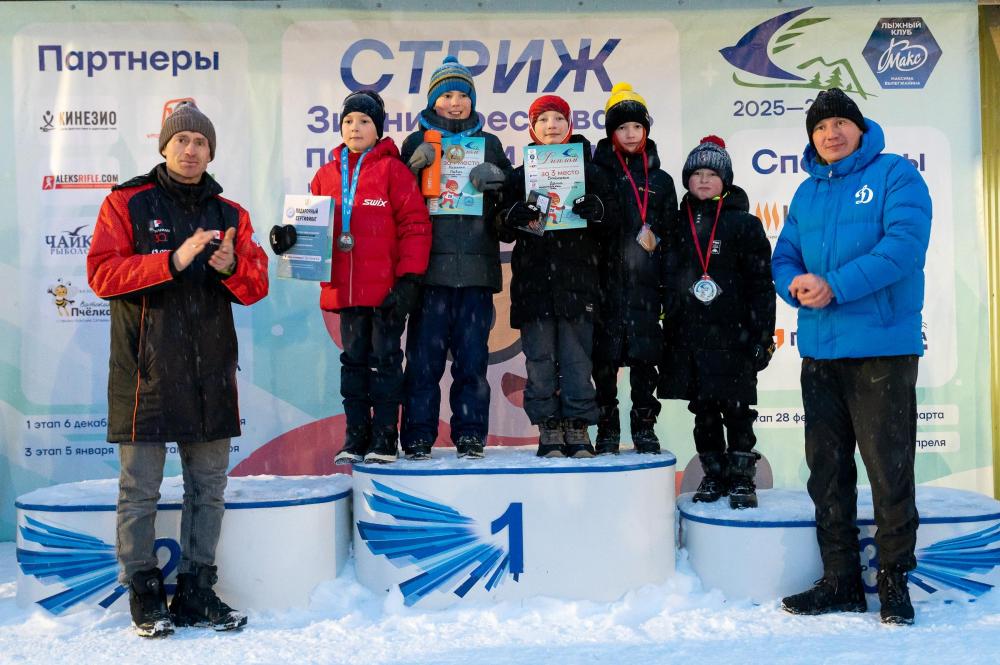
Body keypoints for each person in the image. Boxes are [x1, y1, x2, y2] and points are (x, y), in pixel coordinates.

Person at [87, 101, 268, 637]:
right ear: (164, 146)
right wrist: (172, 260)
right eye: (182, 140)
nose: (191, 150)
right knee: (139, 490)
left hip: (211, 372)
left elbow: (257, 286)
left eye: (201, 142)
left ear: (212, 152)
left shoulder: (230, 214)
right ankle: (144, 592)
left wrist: (232, 267)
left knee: (208, 489)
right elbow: (102, 274)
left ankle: (196, 590)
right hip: (146, 374)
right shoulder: (127, 202)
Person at [773, 88, 931, 625]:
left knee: (889, 468)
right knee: (827, 471)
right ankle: (840, 580)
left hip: (881, 349)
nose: (830, 134)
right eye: (820, 127)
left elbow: (903, 248)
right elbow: (785, 256)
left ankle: (894, 580)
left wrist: (834, 285)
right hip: (820, 349)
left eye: (840, 123)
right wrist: (794, 283)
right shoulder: (807, 192)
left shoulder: (896, 175)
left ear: (860, 129)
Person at [306, 90, 432, 465]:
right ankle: (356, 436)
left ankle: (384, 437)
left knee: (385, 364)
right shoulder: (326, 175)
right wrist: (290, 238)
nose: (355, 128)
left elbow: (415, 226)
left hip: (386, 294)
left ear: (378, 129)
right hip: (347, 292)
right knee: (353, 364)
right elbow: (311, 226)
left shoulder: (394, 171)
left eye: (364, 121)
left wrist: (408, 280)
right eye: (348, 121)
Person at [398, 56, 512, 459]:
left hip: (477, 271)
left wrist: (499, 183)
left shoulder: (490, 144)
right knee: (422, 363)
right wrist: (411, 173)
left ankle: (470, 434)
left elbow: (508, 208)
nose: (455, 103)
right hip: (430, 272)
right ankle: (417, 436)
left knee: (472, 363)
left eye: (463, 95)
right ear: (433, 100)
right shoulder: (415, 143)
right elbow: (398, 207)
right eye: (446, 95)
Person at [659, 136, 775, 508]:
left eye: (712, 173)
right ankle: (713, 474)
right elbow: (663, 277)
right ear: (687, 180)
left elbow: (761, 285)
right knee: (704, 411)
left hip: (734, 336)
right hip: (690, 336)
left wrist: (763, 335)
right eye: (697, 174)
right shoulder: (675, 225)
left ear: (726, 180)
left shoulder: (745, 224)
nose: (704, 180)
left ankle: (741, 478)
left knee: (738, 410)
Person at [499, 95, 610, 457]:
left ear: (569, 125)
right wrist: (511, 215)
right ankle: (549, 427)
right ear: (533, 128)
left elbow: (613, 223)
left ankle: (577, 426)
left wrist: (598, 211)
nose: (551, 125)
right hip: (534, 285)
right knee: (540, 360)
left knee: (578, 360)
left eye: (558, 119)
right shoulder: (519, 175)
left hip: (579, 283)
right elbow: (499, 226)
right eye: (543, 119)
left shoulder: (591, 173)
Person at [591, 83, 677, 455]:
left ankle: (644, 425)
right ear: (611, 132)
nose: (630, 134)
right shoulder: (594, 173)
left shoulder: (661, 180)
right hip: (604, 283)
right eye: (622, 127)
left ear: (646, 130)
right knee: (604, 360)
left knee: (645, 360)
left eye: (637, 127)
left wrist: (667, 284)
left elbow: (672, 237)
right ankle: (607, 426)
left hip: (646, 285)